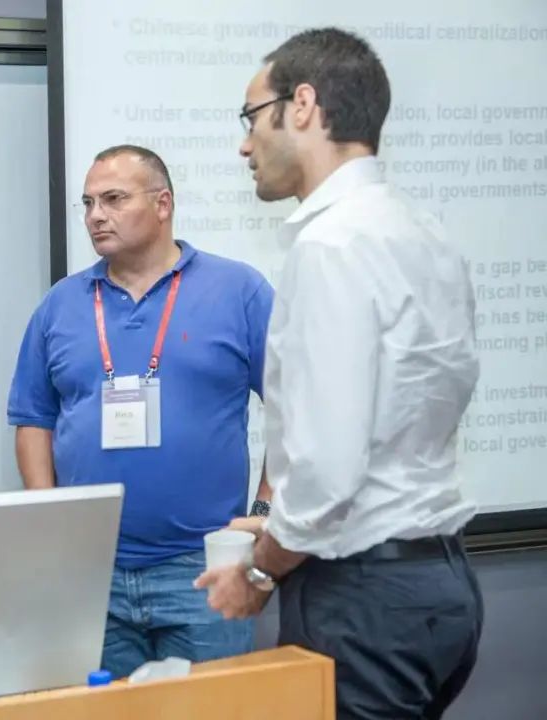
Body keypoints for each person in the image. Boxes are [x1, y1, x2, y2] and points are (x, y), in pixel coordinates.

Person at [195, 28, 483, 720]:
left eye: (250, 118)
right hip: (441, 586)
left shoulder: (330, 244)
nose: (243, 146)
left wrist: (260, 567)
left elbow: (328, 469)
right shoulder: (425, 230)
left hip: (361, 601)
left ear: (302, 105)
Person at [8, 144, 274, 678]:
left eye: (113, 199)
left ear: (162, 204)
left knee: (212, 713)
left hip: (204, 569)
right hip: (91, 573)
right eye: (88, 203)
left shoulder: (238, 290)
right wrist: (49, 520)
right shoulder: (61, 304)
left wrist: (264, 516)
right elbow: (33, 418)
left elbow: (295, 411)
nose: (95, 215)